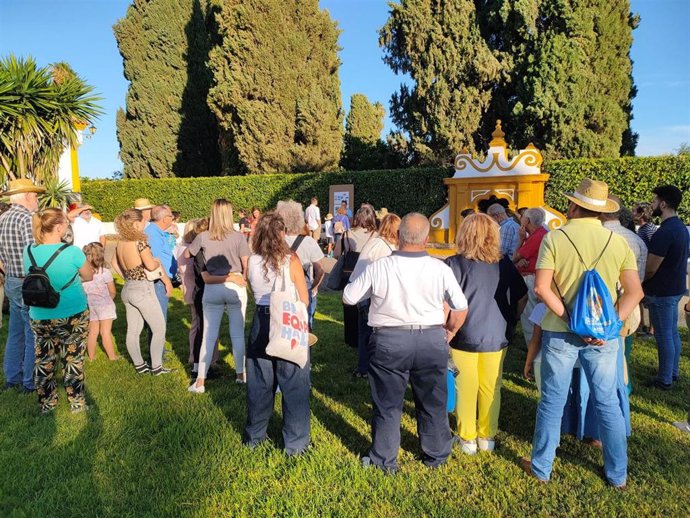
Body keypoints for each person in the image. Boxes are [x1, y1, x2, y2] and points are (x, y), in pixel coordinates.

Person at [520, 178, 643, 489]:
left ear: (574, 205)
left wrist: (572, 320)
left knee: (552, 400)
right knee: (607, 403)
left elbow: (541, 288)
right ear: (601, 212)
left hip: (560, 332)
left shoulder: (555, 239)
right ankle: (618, 475)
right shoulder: (618, 243)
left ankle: (542, 466)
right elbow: (634, 292)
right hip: (605, 337)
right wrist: (611, 325)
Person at [344, 213, 468, 472]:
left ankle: (384, 459)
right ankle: (436, 455)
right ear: (427, 239)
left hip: (390, 340)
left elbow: (349, 297)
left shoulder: (379, 267)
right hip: (431, 338)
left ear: (398, 237)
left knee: (387, 404)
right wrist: (450, 332)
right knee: (432, 399)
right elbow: (460, 305)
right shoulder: (439, 268)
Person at [445, 213, 527, 454]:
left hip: (463, 334)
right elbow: (522, 296)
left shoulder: (453, 264)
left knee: (465, 386)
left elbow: (445, 302)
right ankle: (487, 436)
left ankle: (467, 437)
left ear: (464, 235)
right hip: (497, 333)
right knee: (491, 387)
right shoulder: (505, 265)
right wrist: (513, 318)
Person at [243, 211, 311, 455]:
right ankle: (296, 443)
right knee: (294, 382)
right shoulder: (290, 260)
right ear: (282, 233)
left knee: (260, 382)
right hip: (287, 319)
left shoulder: (252, 261)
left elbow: (254, 290)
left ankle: (255, 436)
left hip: (261, 320)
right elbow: (304, 297)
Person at [524, 302, 632, 446]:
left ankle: (547, 452)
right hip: (586, 355)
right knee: (606, 402)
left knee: (550, 403)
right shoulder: (590, 307)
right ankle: (616, 463)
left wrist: (528, 362)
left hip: (548, 357)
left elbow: (535, 340)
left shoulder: (542, 307)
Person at [23, 209, 93, 413]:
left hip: (39, 314)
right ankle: (77, 403)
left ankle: (47, 404)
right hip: (72, 313)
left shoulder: (28, 250)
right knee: (73, 359)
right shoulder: (72, 252)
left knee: (44, 360)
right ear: (60, 227)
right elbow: (88, 276)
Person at [188, 199, 250, 391]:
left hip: (212, 286)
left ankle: (200, 381)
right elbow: (246, 263)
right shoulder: (239, 237)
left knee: (208, 334)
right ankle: (241, 374)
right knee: (237, 334)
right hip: (235, 284)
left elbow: (187, 255)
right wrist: (243, 280)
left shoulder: (203, 237)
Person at [113, 208, 170, 375]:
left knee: (133, 330)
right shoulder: (139, 241)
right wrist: (156, 261)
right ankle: (157, 367)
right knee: (159, 328)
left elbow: (113, 262)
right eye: (144, 221)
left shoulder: (120, 242)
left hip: (128, 287)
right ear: (136, 223)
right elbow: (151, 266)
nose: (146, 224)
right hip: (143, 289)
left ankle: (139, 365)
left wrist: (126, 276)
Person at [0, 179, 45, 392]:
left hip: (11, 279)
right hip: (27, 281)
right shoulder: (27, 218)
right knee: (32, 332)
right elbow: (33, 253)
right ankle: (30, 381)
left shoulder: (3, 218)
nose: (36, 199)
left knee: (15, 332)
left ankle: (12, 377)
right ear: (27, 196)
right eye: (35, 195)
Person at [643, 185, 689, 390]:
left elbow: (651, 267)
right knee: (672, 332)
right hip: (676, 287)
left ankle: (664, 379)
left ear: (663, 204)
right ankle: (673, 372)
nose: (652, 205)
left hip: (662, 290)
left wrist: (640, 282)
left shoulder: (665, 231)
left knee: (663, 335)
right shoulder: (680, 228)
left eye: (654, 201)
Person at [600, 195, 647, 394]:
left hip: (601, 304)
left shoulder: (599, 236)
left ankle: (609, 390)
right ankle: (623, 387)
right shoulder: (636, 239)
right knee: (623, 348)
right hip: (630, 304)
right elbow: (641, 276)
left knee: (602, 354)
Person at [349, 213, 401, 378]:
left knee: (365, 333)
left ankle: (363, 367)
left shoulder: (374, 243)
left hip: (363, 293)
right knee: (375, 335)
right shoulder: (389, 248)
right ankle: (371, 368)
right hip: (374, 295)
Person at [276, 200, 325, 331]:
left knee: (282, 327)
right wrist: (314, 286)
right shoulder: (308, 241)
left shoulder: (276, 241)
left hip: (282, 290)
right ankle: (305, 351)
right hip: (305, 288)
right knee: (305, 327)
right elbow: (320, 270)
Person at [336, 206, 377, 349]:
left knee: (349, 306)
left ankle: (351, 338)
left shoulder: (347, 234)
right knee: (369, 308)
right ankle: (366, 337)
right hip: (369, 274)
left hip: (349, 273)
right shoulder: (375, 236)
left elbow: (336, 253)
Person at [513, 208, 548, 346]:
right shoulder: (540, 234)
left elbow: (515, 258)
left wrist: (520, 240)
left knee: (529, 318)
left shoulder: (536, 236)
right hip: (534, 277)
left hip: (531, 279)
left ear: (526, 220)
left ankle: (533, 354)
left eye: (522, 218)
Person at [82, 243, 118, 361]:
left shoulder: (83, 275)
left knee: (92, 332)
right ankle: (112, 357)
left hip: (90, 305)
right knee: (105, 332)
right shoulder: (105, 272)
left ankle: (91, 357)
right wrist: (109, 299)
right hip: (105, 305)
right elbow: (112, 291)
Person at [144, 205, 175, 329]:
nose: (172, 218)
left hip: (161, 280)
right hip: (159, 281)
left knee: (159, 318)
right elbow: (154, 260)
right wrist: (167, 282)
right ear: (164, 219)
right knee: (159, 320)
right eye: (170, 215)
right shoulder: (154, 234)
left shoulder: (157, 231)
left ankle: (158, 348)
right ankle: (157, 348)